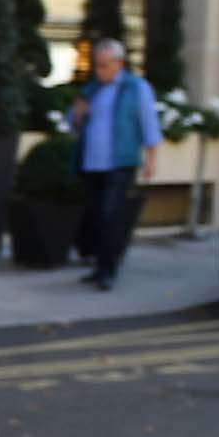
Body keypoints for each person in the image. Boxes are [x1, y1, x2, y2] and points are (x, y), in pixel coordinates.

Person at [67, 37, 161, 292]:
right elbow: (74, 124)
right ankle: (98, 267)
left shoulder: (135, 88)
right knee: (96, 216)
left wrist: (151, 160)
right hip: (92, 163)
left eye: (104, 65)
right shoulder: (93, 89)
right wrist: (77, 113)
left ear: (119, 64)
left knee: (111, 215)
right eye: (97, 66)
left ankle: (108, 270)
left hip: (120, 163)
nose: (100, 71)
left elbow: (149, 124)